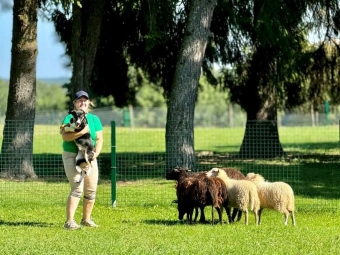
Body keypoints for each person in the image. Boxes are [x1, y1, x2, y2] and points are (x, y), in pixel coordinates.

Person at [60, 90, 103, 230]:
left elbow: (99, 138)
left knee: (91, 189)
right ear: (75, 103)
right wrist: (82, 132)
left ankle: (86, 219)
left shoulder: (94, 119)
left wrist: (95, 155)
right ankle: (69, 222)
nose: (82, 103)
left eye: (85, 100)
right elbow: (66, 137)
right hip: (72, 155)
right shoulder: (70, 118)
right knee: (77, 188)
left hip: (89, 156)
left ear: (89, 102)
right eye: (80, 100)